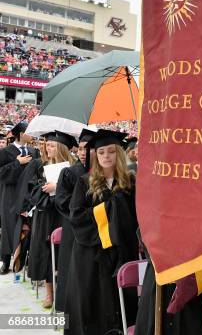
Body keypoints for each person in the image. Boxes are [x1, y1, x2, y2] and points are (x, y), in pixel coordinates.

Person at [64, 129, 139, 335]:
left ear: (119, 154)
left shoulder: (130, 182)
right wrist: (110, 208)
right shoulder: (85, 182)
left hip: (121, 250)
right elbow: (76, 218)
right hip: (91, 253)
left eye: (112, 152)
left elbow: (136, 217)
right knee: (91, 300)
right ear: (95, 155)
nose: (106, 156)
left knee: (119, 299)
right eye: (102, 152)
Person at [22, 130, 76, 308]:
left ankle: (64, 294)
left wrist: (57, 186)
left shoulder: (72, 167)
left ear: (61, 147)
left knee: (62, 254)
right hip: (45, 215)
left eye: (52, 145)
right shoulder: (39, 165)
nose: (48, 147)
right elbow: (31, 191)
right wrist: (46, 188)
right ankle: (49, 294)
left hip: (63, 215)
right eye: (47, 144)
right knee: (46, 254)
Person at [54, 128, 95, 312]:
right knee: (70, 270)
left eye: (87, 148)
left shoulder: (103, 174)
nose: (83, 153)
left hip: (96, 232)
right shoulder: (70, 172)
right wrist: (82, 209)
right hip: (73, 229)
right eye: (79, 149)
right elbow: (61, 201)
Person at [0, 122, 36, 274]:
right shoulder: (6, 152)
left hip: (27, 196)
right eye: (30, 132)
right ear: (21, 134)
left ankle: (23, 259)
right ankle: (6, 261)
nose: (32, 135)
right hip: (10, 194)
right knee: (9, 228)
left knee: (26, 227)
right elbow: (1, 173)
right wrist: (17, 163)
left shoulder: (34, 151)